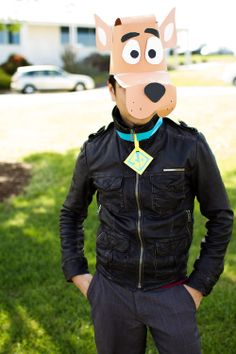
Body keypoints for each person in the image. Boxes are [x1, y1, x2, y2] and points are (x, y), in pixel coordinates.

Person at [59, 11, 233, 354]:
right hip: (111, 293)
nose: (142, 93)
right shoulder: (95, 150)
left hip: (172, 292)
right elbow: (70, 213)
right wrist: (79, 275)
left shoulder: (190, 145)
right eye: (128, 85)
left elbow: (221, 216)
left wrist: (198, 286)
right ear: (112, 90)